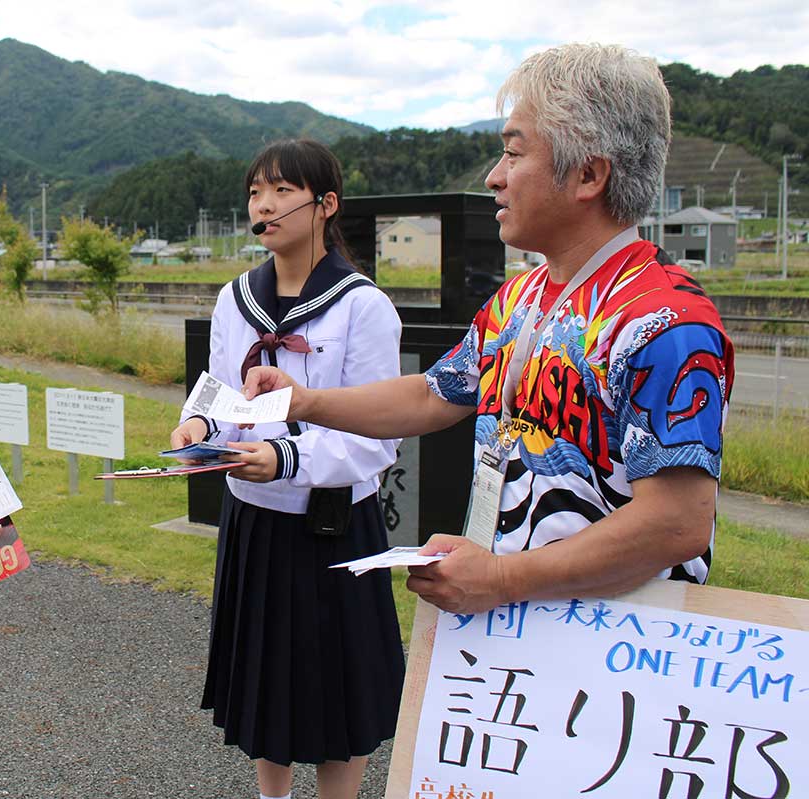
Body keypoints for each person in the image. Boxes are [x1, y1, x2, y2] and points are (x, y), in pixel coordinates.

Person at [243, 44, 734, 616]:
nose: (493, 177)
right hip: (519, 633)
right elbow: (432, 394)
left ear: (588, 174)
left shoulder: (662, 320)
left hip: (614, 651)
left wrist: (500, 577)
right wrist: (304, 402)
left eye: (512, 153)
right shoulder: (520, 299)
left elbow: (677, 524)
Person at [169, 139, 406, 799]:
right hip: (255, 524)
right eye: (254, 192)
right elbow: (219, 389)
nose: (263, 205)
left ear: (326, 204)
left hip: (334, 526)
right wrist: (198, 426)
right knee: (265, 686)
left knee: (340, 696)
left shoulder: (363, 307)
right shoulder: (236, 298)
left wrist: (285, 456)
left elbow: (375, 437)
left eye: (280, 190)